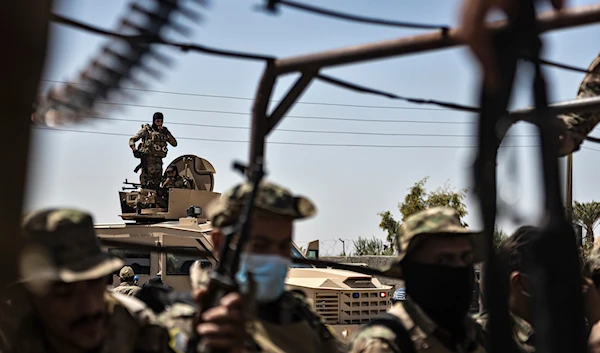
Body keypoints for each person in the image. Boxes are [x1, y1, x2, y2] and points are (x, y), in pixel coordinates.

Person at [157, 180, 344, 353]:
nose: (275, 257)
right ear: (219, 243)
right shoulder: (186, 323)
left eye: (284, 246)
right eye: (259, 246)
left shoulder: (300, 315)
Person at [2, 208, 171, 353]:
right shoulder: (9, 334)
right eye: (65, 292)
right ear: (31, 296)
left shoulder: (138, 328)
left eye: (95, 283)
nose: (89, 306)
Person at [348, 207, 485, 353]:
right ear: (412, 270)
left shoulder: (475, 335)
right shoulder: (383, 343)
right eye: (443, 260)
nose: (459, 268)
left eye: (466, 258)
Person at [476, 226, 600, 352]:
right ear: (519, 283)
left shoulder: (568, 329)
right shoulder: (482, 336)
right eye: (553, 276)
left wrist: (595, 319)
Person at [129, 112, 178, 189]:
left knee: (156, 186)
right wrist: (134, 150)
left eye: (161, 121)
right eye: (157, 121)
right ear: (154, 121)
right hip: (148, 161)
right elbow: (132, 139)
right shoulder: (147, 130)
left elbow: (174, 143)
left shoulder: (164, 132)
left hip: (158, 162)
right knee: (145, 185)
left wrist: (167, 133)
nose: (159, 123)